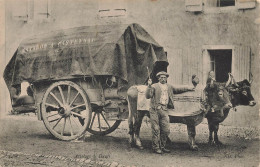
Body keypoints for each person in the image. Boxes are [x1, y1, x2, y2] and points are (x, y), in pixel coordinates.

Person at [145, 71, 195, 154]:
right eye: (161, 78)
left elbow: (179, 89)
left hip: (164, 110)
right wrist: (149, 86)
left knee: (166, 130)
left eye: (165, 78)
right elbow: (147, 96)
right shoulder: (154, 86)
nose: (163, 79)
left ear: (167, 78)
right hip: (154, 110)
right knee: (156, 129)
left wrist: (190, 88)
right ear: (158, 78)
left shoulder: (169, 87)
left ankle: (162, 146)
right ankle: (156, 147)